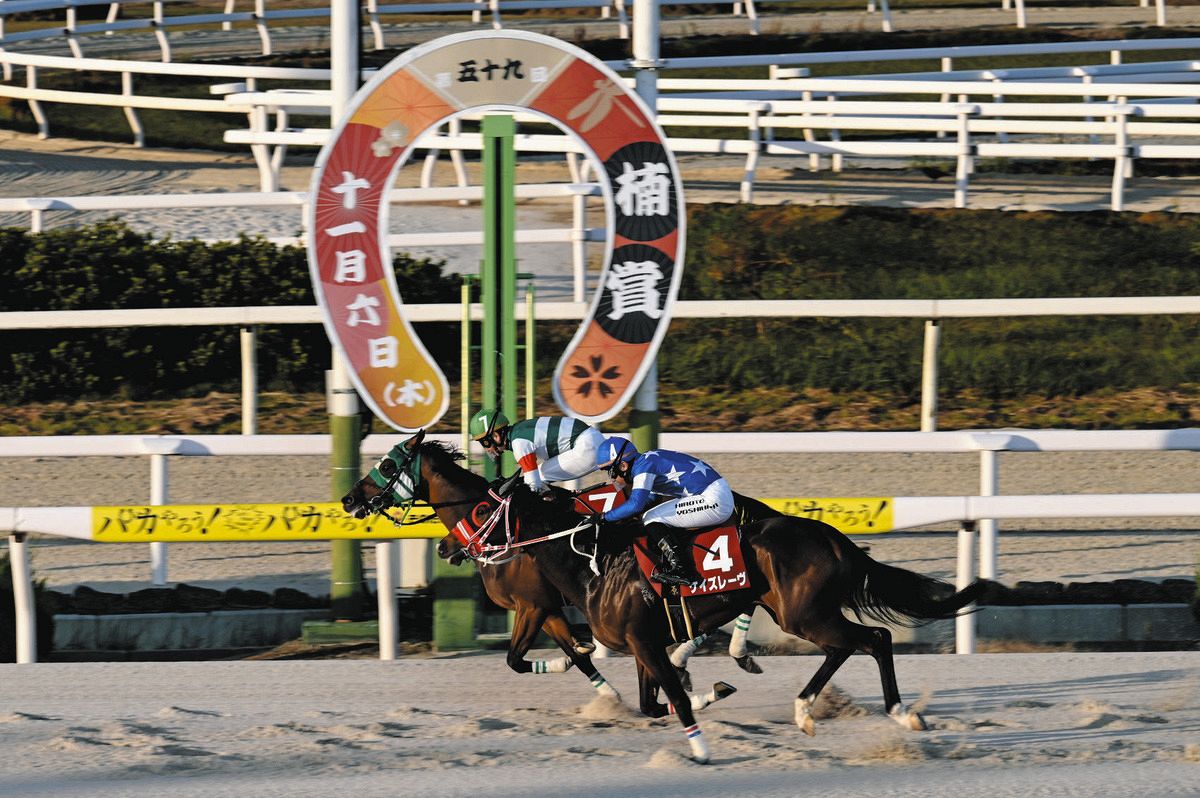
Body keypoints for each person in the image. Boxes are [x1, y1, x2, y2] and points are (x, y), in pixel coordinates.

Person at [594, 437, 734, 588]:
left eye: (611, 472)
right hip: (714, 493)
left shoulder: (644, 466)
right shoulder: (646, 461)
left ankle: (684, 570)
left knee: (652, 517)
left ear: (623, 465)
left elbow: (636, 504)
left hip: (713, 498)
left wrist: (604, 517)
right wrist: (621, 514)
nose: (612, 479)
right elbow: (651, 497)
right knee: (652, 516)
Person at [468, 407, 606, 495]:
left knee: (536, 479)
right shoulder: (519, 430)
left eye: (484, 442)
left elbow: (532, 483)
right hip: (588, 440)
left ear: (495, 436)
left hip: (587, 446)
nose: (486, 448)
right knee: (538, 476)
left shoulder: (518, 442)